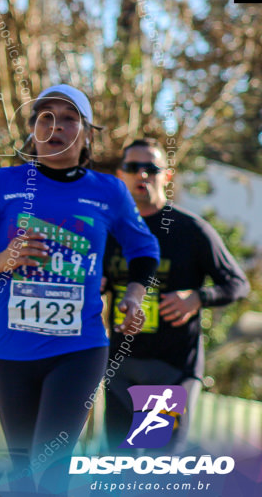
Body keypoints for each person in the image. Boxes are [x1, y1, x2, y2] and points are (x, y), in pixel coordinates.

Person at [0, 84, 160, 491]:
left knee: (52, 464)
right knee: (22, 469)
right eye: (46, 117)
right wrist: (1, 260)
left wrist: (133, 294)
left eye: (68, 118)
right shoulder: (2, 184)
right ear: (32, 131)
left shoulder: (107, 190)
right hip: (10, 348)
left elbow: (144, 245)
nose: (56, 126)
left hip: (78, 348)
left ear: (86, 135)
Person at [103, 138, 248, 451]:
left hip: (168, 368)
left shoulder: (189, 230)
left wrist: (197, 298)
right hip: (120, 365)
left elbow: (237, 283)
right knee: (116, 468)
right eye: (132, 168)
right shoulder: (110, 230)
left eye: (151, 168)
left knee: (156, 466)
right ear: (120, 175)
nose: (142, 175)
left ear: (166, 176)